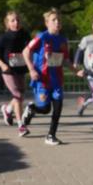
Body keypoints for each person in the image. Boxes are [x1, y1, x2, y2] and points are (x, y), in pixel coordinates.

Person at [20, 8, 73, 145]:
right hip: (42, 80)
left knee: (58, 107)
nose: (57, 22)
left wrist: (75, 70)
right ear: (47, 23)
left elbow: (66, 59)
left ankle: (51, 135)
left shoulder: (63, 40)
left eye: (59, 20)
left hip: (57, 80)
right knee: (45, 109)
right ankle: (32, 108)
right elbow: (26, 51)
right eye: (53, 20)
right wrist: (31, 69)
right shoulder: (41, 37)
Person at [0, 10, 31, 135]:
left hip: (20, 69)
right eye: (12, 20)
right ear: (7, 24)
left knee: (21, 95)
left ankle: (7, 109)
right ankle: (21, 125)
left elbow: (30, 48)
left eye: (18, 20)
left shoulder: (25, 34)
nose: (16, 22)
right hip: (8, 70)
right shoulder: (5, 37)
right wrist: (2, 65)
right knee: (17, 95)